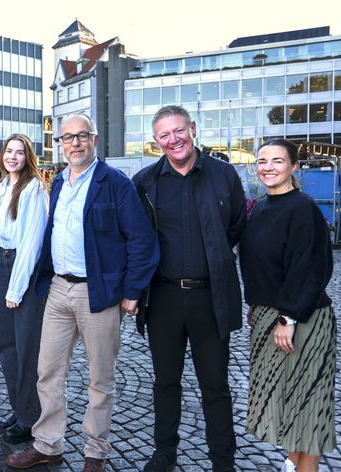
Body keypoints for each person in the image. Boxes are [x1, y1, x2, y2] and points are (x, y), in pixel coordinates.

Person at [6, 114, 159, 471]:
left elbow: (141, 240)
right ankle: (48, 444)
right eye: (67, 138)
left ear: (94, 138)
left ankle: (95, 453)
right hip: (59, 288)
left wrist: (132, 291)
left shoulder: (115, 183)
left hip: (99, 293)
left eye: (82, 136)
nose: (75, 143)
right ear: (60, 143)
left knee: (100, 380)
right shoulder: (58, 182)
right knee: (48, 372)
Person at [132, 105, 246, 472]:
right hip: (163, 297)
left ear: (192, 129)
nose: (173, 140)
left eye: (178, 131)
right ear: (156, 141)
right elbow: (137, 239)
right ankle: (164, 452)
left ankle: (222, 461)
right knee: (165, 382)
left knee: (215, 385)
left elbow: (235, 228)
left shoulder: (224, 175)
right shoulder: (145, 182)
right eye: (164, 135)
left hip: (211, 297)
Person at [241, 139, 336, 472]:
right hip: (271, 316)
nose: (268, 167)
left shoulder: (302, 207)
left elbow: (310, 266)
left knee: (308, 402)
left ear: (294, 167)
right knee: (285, 399)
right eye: (262, 160)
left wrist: (288, 316)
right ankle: (295, 462)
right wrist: (256, 304)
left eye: (278, 161)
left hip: (301, 319)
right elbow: (261, 265)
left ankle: (305, 468)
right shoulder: (260, 208)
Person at [0, 133, 48, 444]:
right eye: (8, 151)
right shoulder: (0, 187)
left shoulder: (34, 188)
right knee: (6, 346)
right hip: (4, 260)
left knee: (27, 348)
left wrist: (15, 288)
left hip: (24, 269)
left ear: (28, 157)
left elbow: (31, 244)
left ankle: (31, 417)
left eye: (19, 152)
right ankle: (19, 407)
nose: (13, 157)